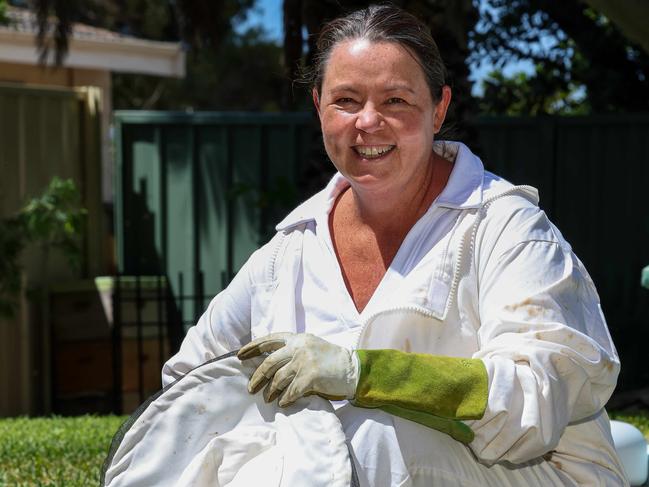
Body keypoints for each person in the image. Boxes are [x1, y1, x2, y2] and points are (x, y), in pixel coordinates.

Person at [163, 5, 627, 486]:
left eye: (396, 100)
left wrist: (365, 374)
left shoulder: (507, 228)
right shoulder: (289, 251)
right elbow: (189, 380)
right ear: (319, 105)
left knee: (371, 435)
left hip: (543, 472)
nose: (368, 122)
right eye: (346, 100)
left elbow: (534, 395)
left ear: (439, 108)